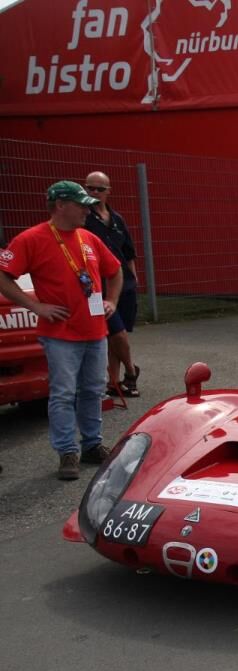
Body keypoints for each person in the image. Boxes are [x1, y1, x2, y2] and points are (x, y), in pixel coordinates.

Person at [0, 181, 122, 479]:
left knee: (94, 389)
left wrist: (112, 301)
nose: (87, 209)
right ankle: (67, 451)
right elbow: (4, 277)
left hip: (94, 330)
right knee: (64, 393)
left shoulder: (88, 238)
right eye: (80, 204)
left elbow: (115, 270)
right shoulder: (32, 239)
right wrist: (36, 307)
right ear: (60, 206)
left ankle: (92, 444)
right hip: (60, 335)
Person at [82, 171, 140, 398]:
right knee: (116, 333)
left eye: (99, 189)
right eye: (90, 188)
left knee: (117, 333)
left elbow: (129, 252)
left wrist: (134, 280)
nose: (94, 193)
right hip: (97, 288)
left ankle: (114, 382)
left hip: (124, 284)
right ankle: (131, 370)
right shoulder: (84, 219)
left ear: (108, 192)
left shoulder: (117, 219)